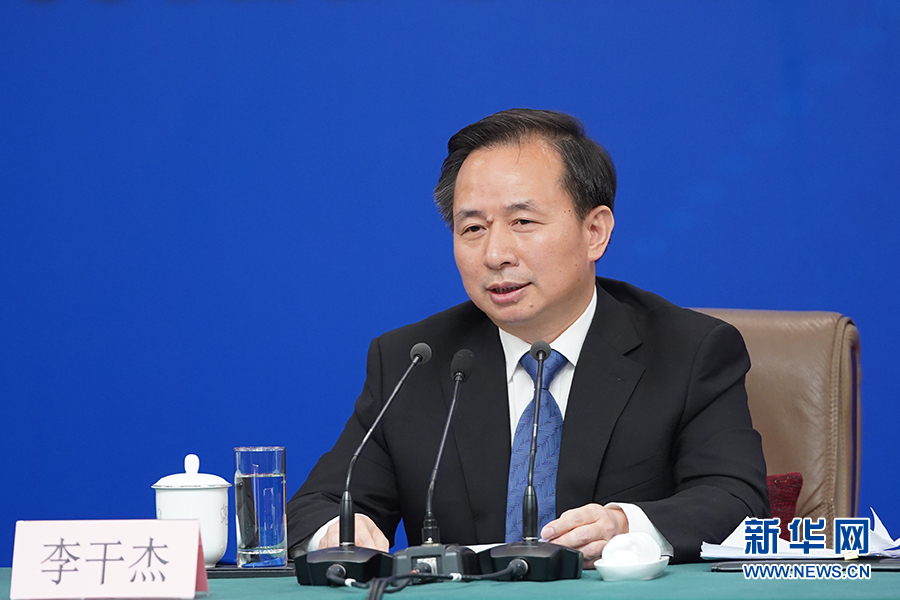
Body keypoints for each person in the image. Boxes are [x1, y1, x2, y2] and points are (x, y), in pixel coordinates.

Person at [287, 108, 769, 565]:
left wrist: (628, 527)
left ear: (595, 232)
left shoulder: (688, 350)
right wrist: (337, 530)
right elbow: (317, 505)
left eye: (522, 222)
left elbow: (736, 500)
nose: (495, 253)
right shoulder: (415, 361)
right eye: (473, 228)